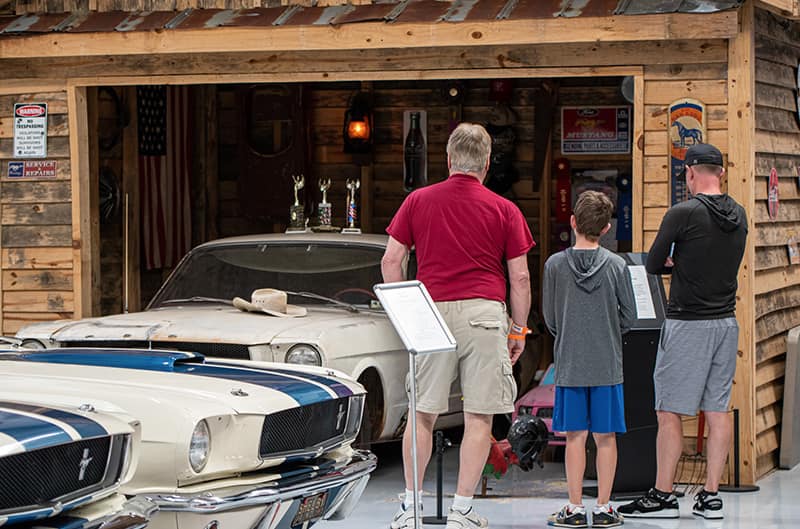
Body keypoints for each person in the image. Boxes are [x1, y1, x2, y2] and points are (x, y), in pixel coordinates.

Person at [382, 122, 535, 529]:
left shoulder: (417, 201)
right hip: (484, 316)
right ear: (486, 164)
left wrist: (406, 316)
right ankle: (462, 512)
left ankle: (411, 509)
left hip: (431, 314)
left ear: (448, 160)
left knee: (422, 413)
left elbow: (391, 261)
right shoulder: (505, 209)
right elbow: (519, 278)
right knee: (479, 416)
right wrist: (518, 329)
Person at [618, 143, 747, 520]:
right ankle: (711, 496)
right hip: (726, 323)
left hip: (688, 322)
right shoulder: (738, 214)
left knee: (668, 409)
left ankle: (663, 494)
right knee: (717, 409)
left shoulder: (683, 213)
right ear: (720, 172)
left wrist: (682, 262)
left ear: (691, 173)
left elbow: (655, 263)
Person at [542, 191, 636, 528]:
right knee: (606, 437)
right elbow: (628, 315)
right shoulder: (616, 265)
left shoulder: (554, 265)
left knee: (574, 437)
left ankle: (575, 507)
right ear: (607, 227)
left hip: (569, 364)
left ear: (572, 222)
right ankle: (606, 507)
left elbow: (550, 318)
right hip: (607, 365)